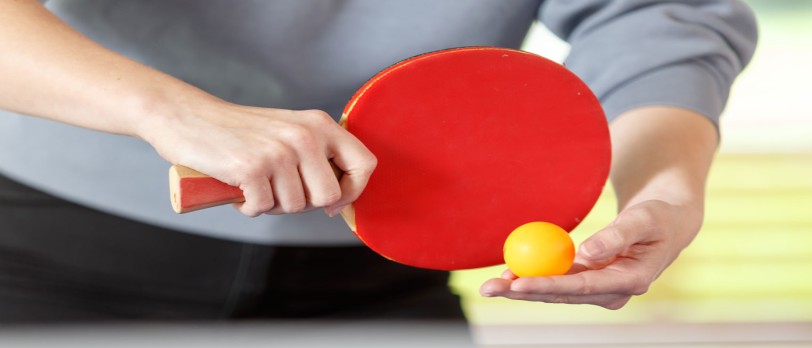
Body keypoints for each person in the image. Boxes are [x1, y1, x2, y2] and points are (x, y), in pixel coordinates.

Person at [0, 0, 758, 322]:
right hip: (49, 262)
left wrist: (665, 183)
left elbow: (656, 13)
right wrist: (163, 110)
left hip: (384, 287)